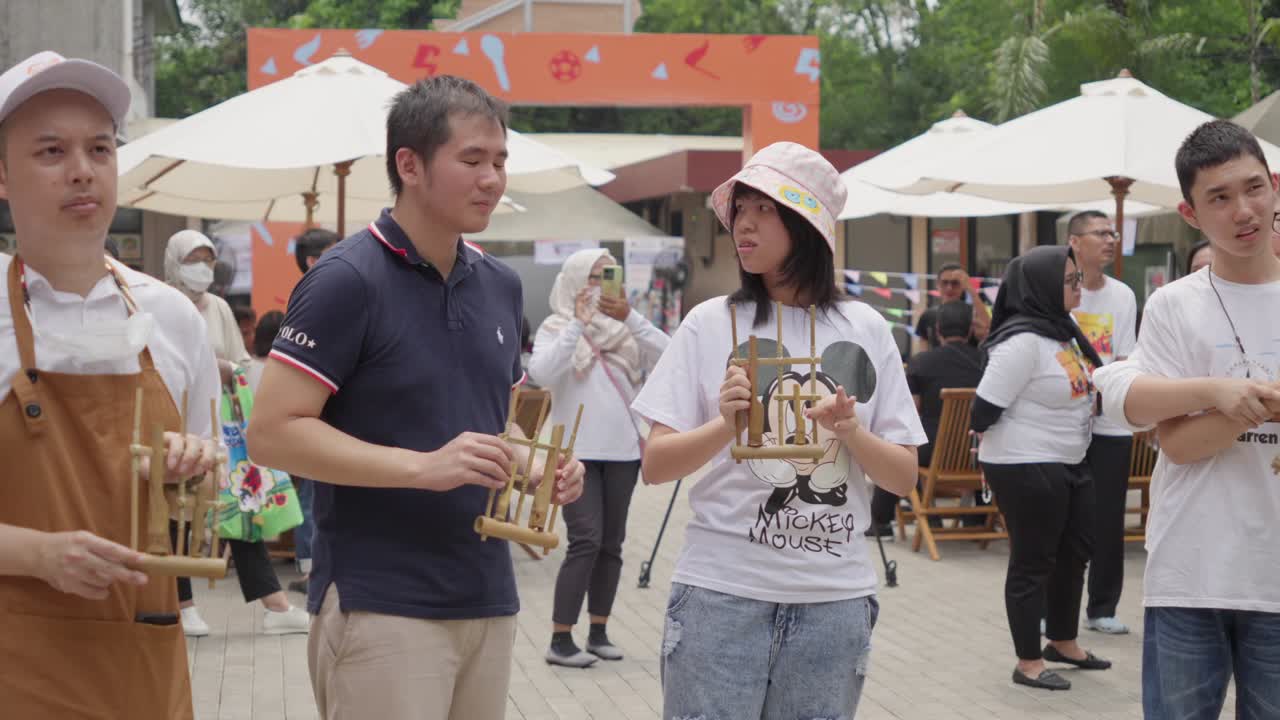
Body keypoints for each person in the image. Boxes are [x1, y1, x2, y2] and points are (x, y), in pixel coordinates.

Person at [245, 75, 585, 720]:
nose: (492, 178)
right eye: (473, 160)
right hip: (382, 601)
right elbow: (272, 431)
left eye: (501, 161)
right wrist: (422, 467)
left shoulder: (501, 285)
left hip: (488, 592)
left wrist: (538, 465)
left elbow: (498, 423)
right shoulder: (345, 280)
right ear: (410, 164)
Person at [632, 142, 925, 719]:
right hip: (720, 597)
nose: (743, 222)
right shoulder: (709, 323)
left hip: (832, 602)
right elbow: (655, 464)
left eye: (763, 208)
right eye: (740, 207)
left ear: (806, 223)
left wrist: (852, 433)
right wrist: (725, 425)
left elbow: (906, 477)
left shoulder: (864, 326)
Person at [0, 51, 220, 717]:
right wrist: (39, 554)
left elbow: (210, 499)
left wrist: (192, 472)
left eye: (100, 147)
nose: (81, 169)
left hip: (147, 667)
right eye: (50, 150)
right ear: (1, 175)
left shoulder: (174, 320)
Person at [1093, 120, 1280, 719]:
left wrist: (1227, 407)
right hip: (1190, 575)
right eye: (1219, 198)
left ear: (1275, 186)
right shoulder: (1175, 305)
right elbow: (1178, 445)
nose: (1243, 210)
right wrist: (1233, 397)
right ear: (1191, 214)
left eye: (1253, 188)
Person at [972, 245, 1112, 691]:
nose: (1079, 288)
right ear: (1043, 286)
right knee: (1034, 562)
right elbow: (981, 412)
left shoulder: (1061, 332)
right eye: (1071, 281)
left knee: (1075, 553)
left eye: (1078, 279)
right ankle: (1028, 660)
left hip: (1069, 459)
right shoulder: (1021, 341)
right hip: (1024, 463)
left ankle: (1063, 641)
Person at [163, 230, 309, 637]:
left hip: (222, 423)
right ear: (174, 261)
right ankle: (183, 602)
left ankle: (273, 605)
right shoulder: (160, 302)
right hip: (175, 419)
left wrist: (226, 368)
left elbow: (241, 363)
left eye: (208, 260)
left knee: (239, 507)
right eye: (193, 259)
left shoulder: (220, 308)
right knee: (179, 506)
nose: (202, 268)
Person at [529, 248, 670, 667]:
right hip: (575, 456)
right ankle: (560, 638)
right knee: (585, 540)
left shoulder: (627, 330)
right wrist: (578, 322)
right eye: (591, 276)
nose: (599, 284)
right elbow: (542, 373)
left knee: (612, 544)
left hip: (623, 453)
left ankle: (599, 630)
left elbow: (669, 354)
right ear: (573, 281)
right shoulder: (556, 326)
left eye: (606, 275)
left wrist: (630, 316)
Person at [1063, 211, 1139, 636]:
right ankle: (1053, 608)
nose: (1111, 239)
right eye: (1101, 233)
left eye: (1113, 232)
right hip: (1066, 421)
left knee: (1109, 516)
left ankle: (1103, 606)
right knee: (1065, 516)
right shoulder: (1058, 291)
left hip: (1111, 422)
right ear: (1075, 242)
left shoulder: (1123, 295)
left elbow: (1125, 357)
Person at [868, 300, 985, 534]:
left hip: (934, 453)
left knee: (899, 448)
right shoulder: (986, 361)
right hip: (976, 452)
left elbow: (910, 412)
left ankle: (880, 523)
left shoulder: (922, 363)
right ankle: (978, 517)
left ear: (937, 330)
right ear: (970, 330)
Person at [915, 262, 992, 349]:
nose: (949, 288)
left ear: (963, 286)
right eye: (945, 283)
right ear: (938, 285)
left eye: (955, 283)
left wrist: (971, 289)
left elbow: (988, 327)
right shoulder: (928, 315)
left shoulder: (973, 313)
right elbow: (923, 343)